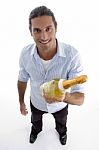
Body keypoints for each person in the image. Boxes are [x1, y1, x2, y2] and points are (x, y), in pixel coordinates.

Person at [17, 6, 85, 145]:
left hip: (60, 106)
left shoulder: (72, 56)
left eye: (48, 29)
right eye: (37, 30)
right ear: (31, 32)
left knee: (61, 122)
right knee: (35, 120)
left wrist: (64, 97)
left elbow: (80, 98)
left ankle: (62, 132)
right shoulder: (25, 54)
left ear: (56, 27)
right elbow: (22, 78)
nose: (44, 36)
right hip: (36, 102)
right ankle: (35, 130)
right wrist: (21, 101)